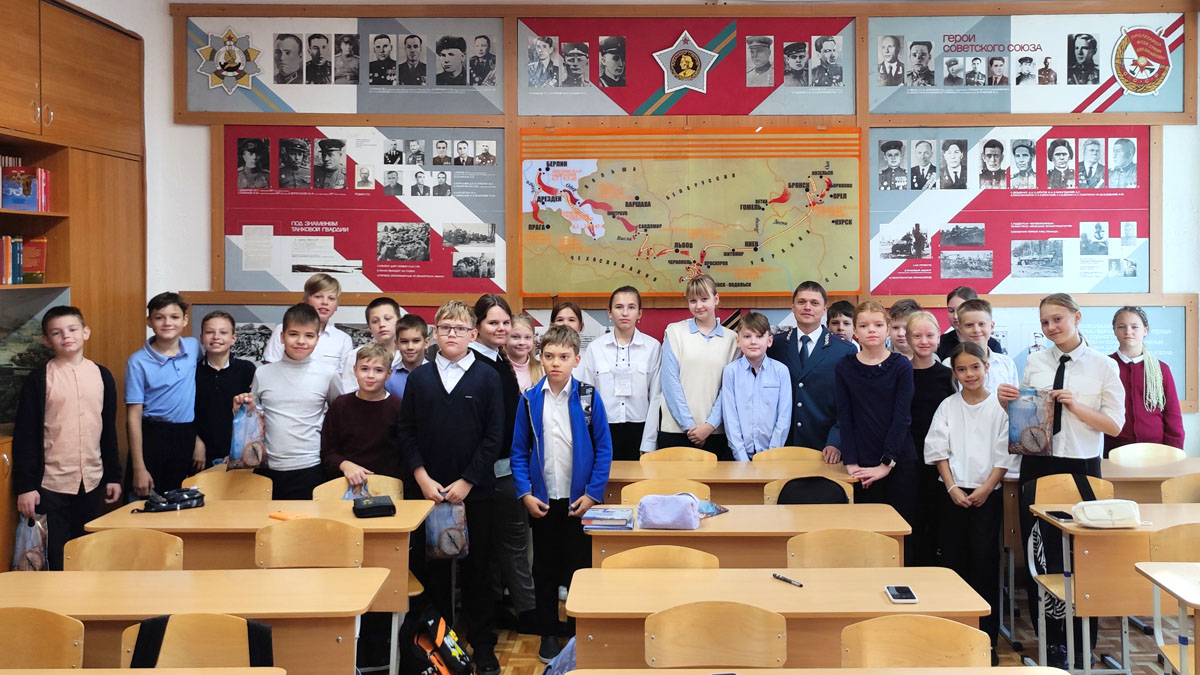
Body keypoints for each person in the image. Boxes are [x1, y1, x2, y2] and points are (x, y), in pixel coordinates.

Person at [996, 293, 1124, 669]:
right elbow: (1025, 415)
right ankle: (1051, 645)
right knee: (1041, 557)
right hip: (1038, 465)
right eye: (1045, 322)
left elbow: (1115, 425)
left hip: (1081, 468)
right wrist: (1008, 402)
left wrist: (1076, 406)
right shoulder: (1035, 361)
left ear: (1077, 317)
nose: (1051, 327)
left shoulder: (1103, 366)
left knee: (1082, 558)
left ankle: (1082, 644)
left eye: (1058, 319)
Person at [397, 300, 504, 675]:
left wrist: (468, 480)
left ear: (473, 334)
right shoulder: (420, 378)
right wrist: (422, 477)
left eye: (459, 329)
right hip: (429, 492)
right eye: (445, 328)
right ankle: (440, 643)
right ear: (435, 333)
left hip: (476, 491)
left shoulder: (488, 377)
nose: (452, 334)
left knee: (479, 571)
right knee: (434, 574)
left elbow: (494, 436)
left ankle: (483, 644)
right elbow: (406, 432)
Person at [511, 325, 612, 663]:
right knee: (544, 569)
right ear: (540, 357)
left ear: (576, 360)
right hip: (543, 500)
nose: (556, 363)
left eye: (564, 357)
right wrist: (525, 493)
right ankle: (548, 633)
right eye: (550, 356)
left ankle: (579, 630)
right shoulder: (529, 400)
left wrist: (593, 494)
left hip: (579, 501)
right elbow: (518, 451)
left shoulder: (588, 397)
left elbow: (604, 449)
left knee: (579, 568)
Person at [926, 341, 1017, 659]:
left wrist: (986, 488)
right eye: (962, 369)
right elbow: (938, 449)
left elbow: (1004, 454)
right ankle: (952, 634)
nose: (969, 374)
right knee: (952, 563)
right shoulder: (948, 406)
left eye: (975, 367)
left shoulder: (999, 408)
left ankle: (985, 640)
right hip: (952, 494)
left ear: (987, 367)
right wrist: (951, 487)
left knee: (984, 564)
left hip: (986, 495)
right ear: (954, 372)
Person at [13, 306, 122, 570]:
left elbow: (108, 430)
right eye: (57, 333)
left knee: (86, 552)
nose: (66, 336)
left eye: (73, 329)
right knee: (56, 555)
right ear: (46, 340)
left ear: (86, 332)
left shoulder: (102, 375)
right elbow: (25, 435)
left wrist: (114, 476)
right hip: (52, 483)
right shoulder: (39, 379)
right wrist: (25, 486)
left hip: (92, 480)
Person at [468, 295, 537, 634]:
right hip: (492, 471)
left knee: (502, 545)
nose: (501, 328)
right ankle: (530, 614)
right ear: (477, 325)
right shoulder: (479, 365)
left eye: (505, 322)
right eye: (493, 322)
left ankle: (500, 607)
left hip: (507, 467)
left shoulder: (499, 359)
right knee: (511, 544)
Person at [234, 303, 342, 499]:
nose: (301, 341)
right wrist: (242, 409)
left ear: (317, 339)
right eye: (293, 334)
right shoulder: (263, 373)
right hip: (268, 469)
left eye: (309, 335)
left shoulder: (328, 374)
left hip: (311, 467)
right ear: (282, 337)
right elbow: (253, 418)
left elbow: (340, 418)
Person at [835, 301, 916, 557]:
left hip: (897, 460)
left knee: (897, 535)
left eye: (878, 325)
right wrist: (851, 462)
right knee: (865, 534)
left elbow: (902, 417)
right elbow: (845, 415)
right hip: (861, 461)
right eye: (864, 325)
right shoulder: (844, 366)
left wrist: (886, 463)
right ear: (855, 332)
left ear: (888, 329)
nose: (872, 330)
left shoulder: (901, 366)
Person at [767, 281, 857, 462]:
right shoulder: (775, 345)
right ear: (793, 307)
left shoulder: (844, 350)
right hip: (781, 445)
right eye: (801, 302)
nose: (807, 307)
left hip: (825, 447)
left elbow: (850, 403)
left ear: (824, 310)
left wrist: (836, 441)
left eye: (814, 303)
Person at [125, 292, 199, 496]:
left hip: (185, 435)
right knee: (144, 499)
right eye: (159, 317)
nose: (167, 323)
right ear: (149, 321)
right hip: (153, 436)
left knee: (181, 501)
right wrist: (139, 467)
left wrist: (197, 439)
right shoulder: (138, 361)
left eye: (174, 317)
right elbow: (133, 416)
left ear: (185, 320)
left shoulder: (193, 347)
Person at [658, 274, 738, 460]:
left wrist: (709, 426)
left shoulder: (732, 339)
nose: (699, 305)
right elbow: (670, 383)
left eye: (704, 299)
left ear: (716, 299)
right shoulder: (674, 332)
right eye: (693, 301)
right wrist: (689, 427)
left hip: (716, 432)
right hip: (676, 431)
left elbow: (728, 389)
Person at [578, 286, 661, 460]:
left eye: (631, 307)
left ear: (639, 313)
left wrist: (649, 441)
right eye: (618, 307)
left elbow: (655, 397)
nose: (625, 313)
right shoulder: (595, 348)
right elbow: (586, 397)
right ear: (609, 312)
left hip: (640, 429)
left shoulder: (652, 347)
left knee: (639, 478)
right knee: (607, 477)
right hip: (603, 430)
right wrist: (588, 439)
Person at [906, 311, 956, 567]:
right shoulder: (901, 372)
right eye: (917, 336)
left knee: (936, 517)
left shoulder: (948, 375)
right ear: (908, 338)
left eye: (929, 335)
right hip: (908, 457)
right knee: (912, 515)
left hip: (940, 459)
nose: (924, 341)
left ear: (939, 338)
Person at [322, 341, 404, 486]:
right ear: (355, 370)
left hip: (387, 485)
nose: (370, 375)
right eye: (364, 369)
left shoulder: (398, 407)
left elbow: (405, 453)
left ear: (389, 374)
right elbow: (327, 451)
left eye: (378, 370)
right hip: (344, 484)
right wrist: (344, 464)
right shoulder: (340, 405)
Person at [1105, 307, 1183, 454]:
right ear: (1114, 330)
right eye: (1121, 326)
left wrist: (1174, 452)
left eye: (1134, 327)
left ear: (1145, 330)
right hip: (1113, 450)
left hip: (1156, 451)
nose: (1128, 331)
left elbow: (1172, 415)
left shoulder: (1161, 369)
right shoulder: (1105, 365)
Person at [721, 312, 791, 461]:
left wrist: (771, 455)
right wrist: (741, 457)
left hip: (772, 455)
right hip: (740, 455)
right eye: (747, 336)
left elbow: (784, 417)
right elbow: (730, 418)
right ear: (738, 341)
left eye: (759, 336)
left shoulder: (781, 371)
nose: (753, 341)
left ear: (769, 340)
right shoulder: (730, 372)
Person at [193, 311, 256, 468]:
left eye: (223, 332)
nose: (216, 337)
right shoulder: (192, 371)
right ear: (201, 338)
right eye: (209, 332)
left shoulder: (247, 370)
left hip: (238, 455)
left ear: (233, 338)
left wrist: (238, 450)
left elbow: (252, 417)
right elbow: (185, 412)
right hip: (200, 455)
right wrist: (195, 441)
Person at [262, 273, 354, 373]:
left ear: (336, 305)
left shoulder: (343, 339)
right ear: (306, 300)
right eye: (318, 296)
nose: (325, 302)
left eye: (331, 298)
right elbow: (269, 370)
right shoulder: (282, 329)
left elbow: (343, 378)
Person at [945, 299, 1019, 400]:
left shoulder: (1007, 364)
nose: (976, 330)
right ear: (960, 328)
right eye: (969, 325)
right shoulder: (948, 364)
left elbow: (1014, 401)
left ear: (992, 326)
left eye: (981, 324)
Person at [339, 297, 402, 393]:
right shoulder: (355, 355)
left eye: (387, 318)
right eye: (375, 321)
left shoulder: (408, 355)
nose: (382, 324)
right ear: (369, 326)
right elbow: (348, 391)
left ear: (399, 321)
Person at [936, 286, 1004, 361]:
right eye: (951, 311)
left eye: (960, 310)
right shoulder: (942, 342)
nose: (955, 316)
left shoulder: (993, 344)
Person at [386, 313, 429, 398]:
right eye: (404, 341)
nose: (410, 347)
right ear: (397, 344)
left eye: (416, 341)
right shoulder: (388, 378)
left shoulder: (438, 375)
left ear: (426, 343)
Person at [506, 313, 543, 391]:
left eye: (527, 337)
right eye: (515, 337)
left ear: (533, 339)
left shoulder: (541, 370)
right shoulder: (498, 368)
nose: (522, 342)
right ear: (505, 338)